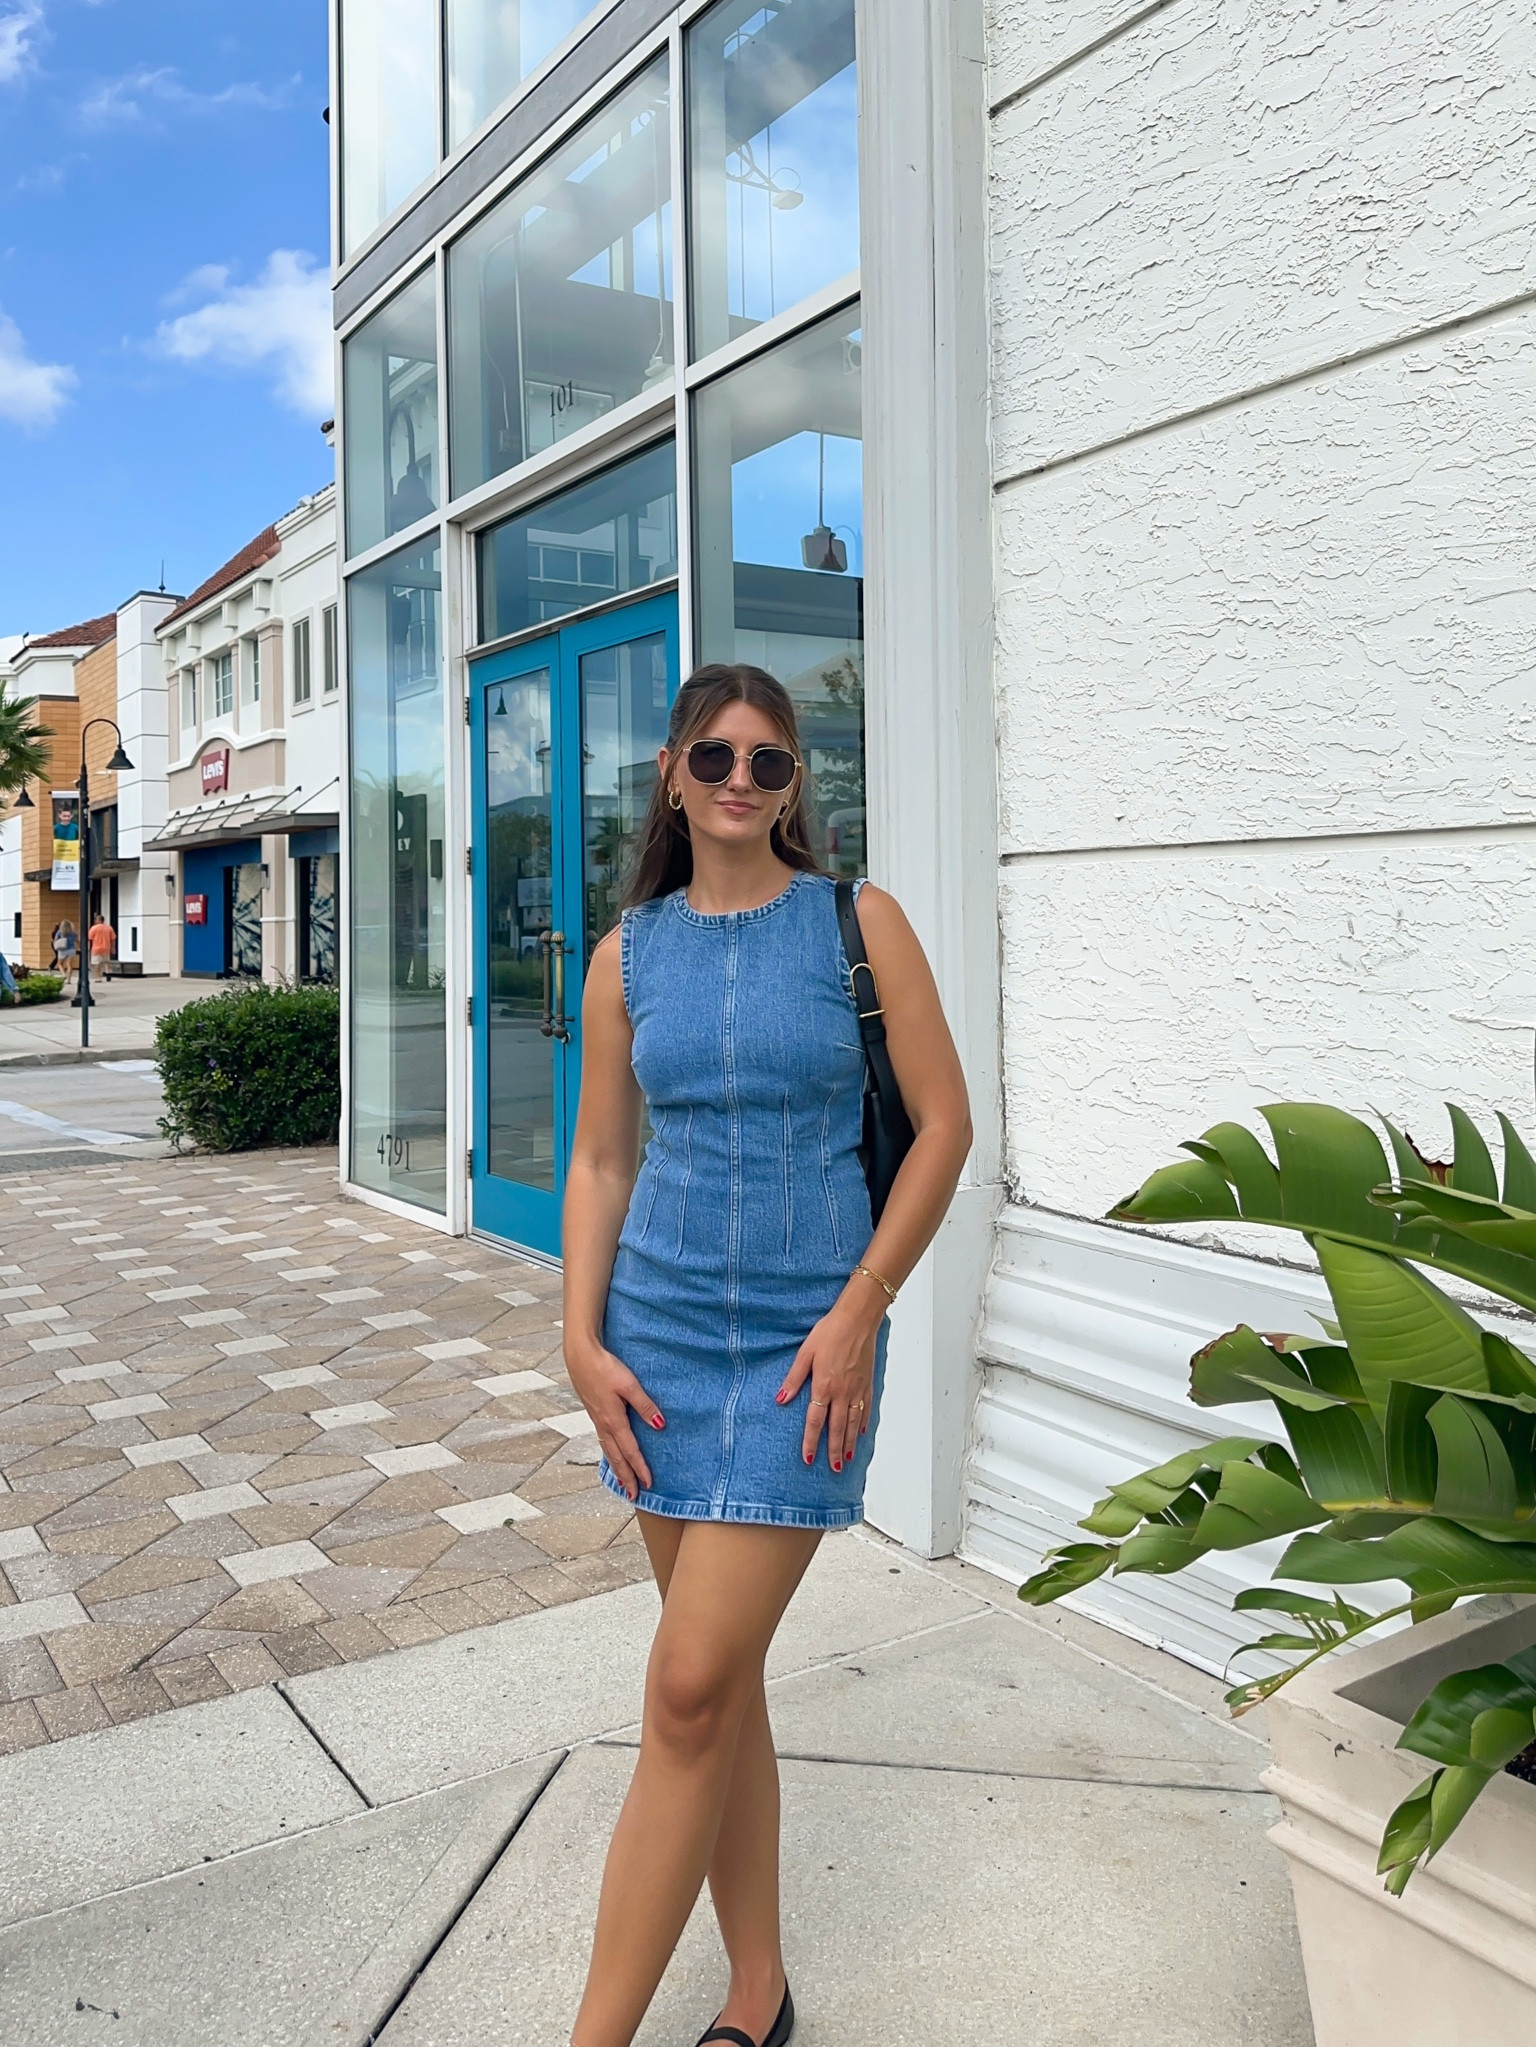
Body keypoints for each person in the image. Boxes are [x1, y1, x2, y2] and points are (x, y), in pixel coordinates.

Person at [562, 664, 972, 2047]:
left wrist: (863, 1304)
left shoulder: (861, 925)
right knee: (714, 1684)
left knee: (683, 1685)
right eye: (717, 756)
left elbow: (945, 1128)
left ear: (796, 787)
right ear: (673, 774)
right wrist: (579, 1333)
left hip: (807, 1352)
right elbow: (604, 1155)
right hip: (658, 1344)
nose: (743, 780)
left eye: (771, 762)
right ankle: (758, 1991)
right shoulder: (627, 955)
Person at [87, 912, 115, 985]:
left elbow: (89, 937)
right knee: (106, 961)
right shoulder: (109, 928)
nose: (95, 921)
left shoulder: (94, 928)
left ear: (99, 920)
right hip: (106, 947)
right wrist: (113, 947)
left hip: (96, 948)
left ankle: (98, 978)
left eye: (96, 919)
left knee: (96, 963)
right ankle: (108, 971)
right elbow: (113, 938)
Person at [53, 919, 78, 988]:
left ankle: (63, 974)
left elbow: (55, 940)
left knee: (60, 964)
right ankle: (69, 979)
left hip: (62, 949)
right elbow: (77, 941)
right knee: (69, 965)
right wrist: (79, 947)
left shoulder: (60, 932)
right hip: (71, 949)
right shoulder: (73, 932)